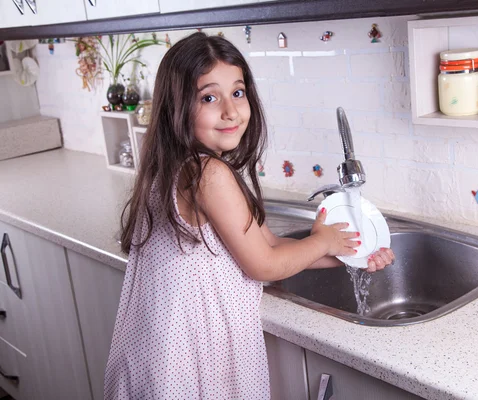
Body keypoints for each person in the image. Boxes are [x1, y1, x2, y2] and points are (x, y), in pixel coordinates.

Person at [104, 31, 395, 399]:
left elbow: (271, 246)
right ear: (176, 108)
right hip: (188, 363)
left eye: (237, 93)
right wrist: (323, 239)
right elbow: (265, 265)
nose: (230, 110)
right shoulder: (208, 174)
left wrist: (351, 254)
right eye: (209, 97)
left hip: (159, 359)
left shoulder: (175, 166)